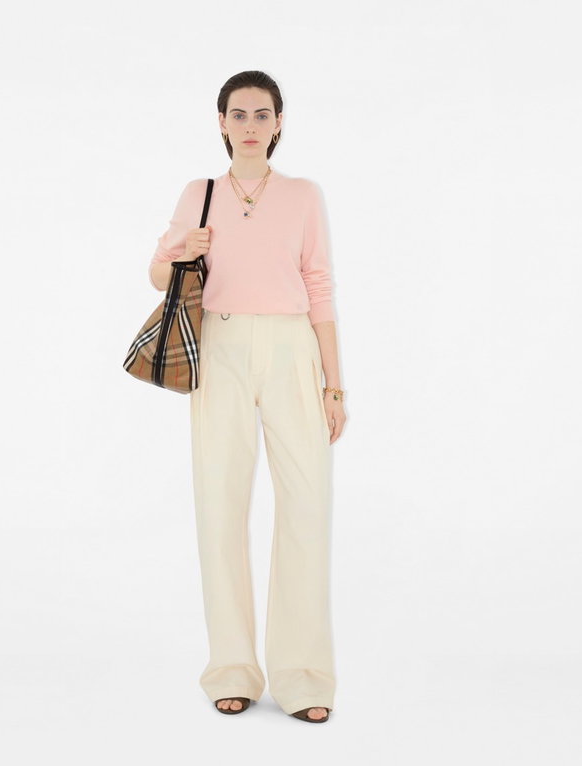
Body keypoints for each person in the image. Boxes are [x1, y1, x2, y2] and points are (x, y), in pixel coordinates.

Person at [148, 70, 346, 723]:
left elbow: (319, 287)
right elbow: (157, 273)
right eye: (240, 114)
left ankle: (303, 676)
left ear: (279, 122)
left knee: (307, 506)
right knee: (220, 504)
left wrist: (334, 384)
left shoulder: (303, 196)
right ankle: (231, 668)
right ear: (222, 123)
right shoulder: (199, 193)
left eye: (263, 115)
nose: (251, 125)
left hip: (292, 348)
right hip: (222, 346)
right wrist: (186, 247)